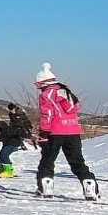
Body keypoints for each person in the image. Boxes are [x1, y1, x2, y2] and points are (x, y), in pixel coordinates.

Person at [34, 63, 98, 199]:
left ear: (41, 83)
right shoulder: (67, 93)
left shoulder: (46, 95)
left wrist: (43, 132)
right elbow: (73, 110)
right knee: (77, 162)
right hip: (73, 131)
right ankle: (90, 188)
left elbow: (48, 113)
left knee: (47, 161)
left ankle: (45, 188)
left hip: (54, 132)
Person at [0, 108, 30, 177]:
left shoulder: (7, 129)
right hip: (7, 143)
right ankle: (2, 169)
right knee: (1, 154)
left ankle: (8, 171)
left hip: (14, 143)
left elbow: (18, 132)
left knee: (4, 155)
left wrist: (29, 136)